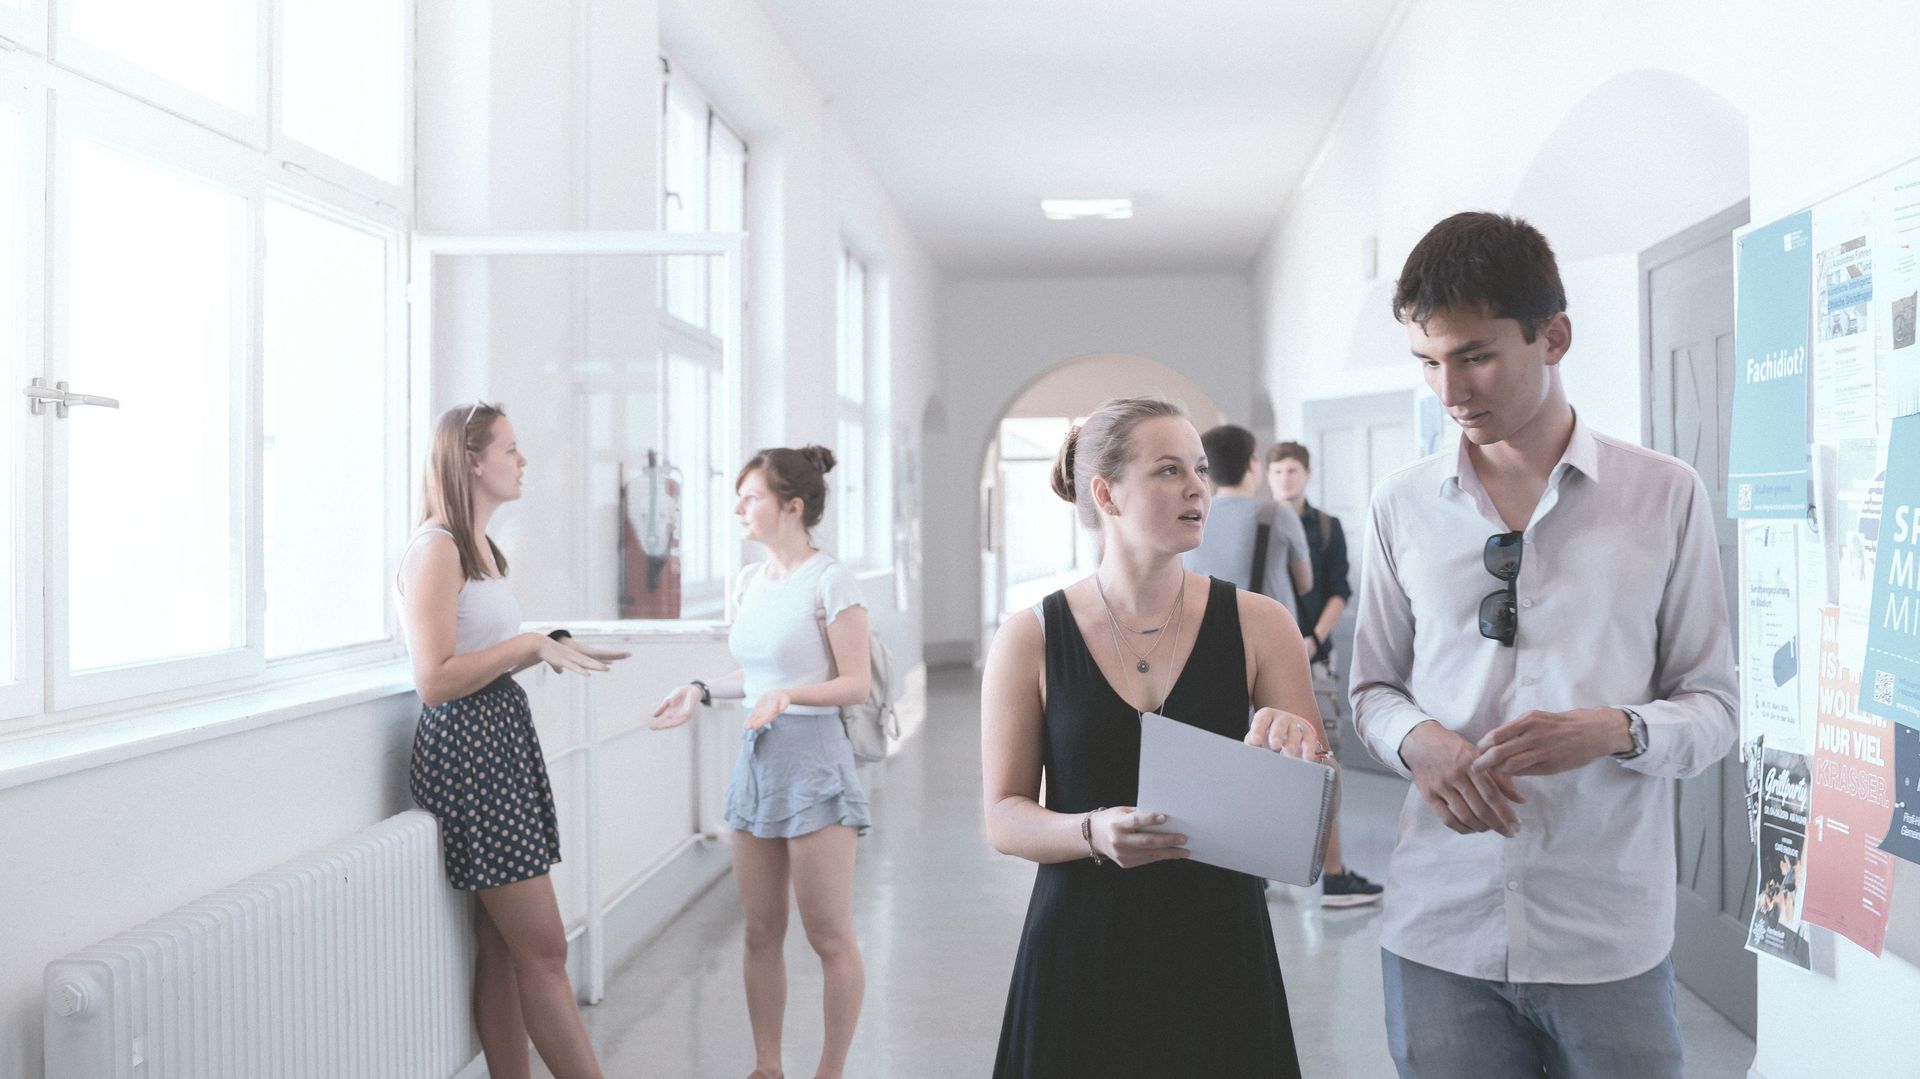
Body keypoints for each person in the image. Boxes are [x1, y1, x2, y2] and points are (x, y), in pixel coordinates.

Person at [1350, 212, 1737, 1079]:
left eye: (1476, 354)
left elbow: (1715, 709)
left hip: (1606, 932)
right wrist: (1421, 742)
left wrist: (1614, 729)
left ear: (1553, 335)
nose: (1449, 389)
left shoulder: (1664, 495)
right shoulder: (1400, 504)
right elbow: (1372, 688)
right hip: (1439, 924)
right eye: (1428, 362)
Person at [983, 396, 1324, 1078]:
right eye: (1169, 470)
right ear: (1106, 493)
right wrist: (1093, 832)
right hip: (1080, 944)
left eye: (1199, 468)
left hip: (1219, 945)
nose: (1198, 486)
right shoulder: (1031, 636)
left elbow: (1310, 823)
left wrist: (1295, 759)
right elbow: (1003, 815)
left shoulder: (1262, 625)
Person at [397, 402, 629, 1079]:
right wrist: (525, 644)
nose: (522, 460)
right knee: (546, 949)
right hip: (471, 750)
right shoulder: (436, 548)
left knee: (502, 951)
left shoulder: (477, 549)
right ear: (471, 459)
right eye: (511, 448)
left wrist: (543, 647)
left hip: (494, 739)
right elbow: (434, 680)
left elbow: (476, 651)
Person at [651, 445, 871, 1079]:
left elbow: (854, 683)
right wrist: (699, 688)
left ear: (791, 507)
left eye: (751, 498)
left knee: (827, 935)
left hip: (815, 761)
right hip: (758, 762)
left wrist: (789, 696)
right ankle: (767, 1067)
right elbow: (753, 671)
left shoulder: (832, 580)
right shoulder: (751, 582)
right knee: (758, 932)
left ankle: (829, 1071)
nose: (738, 509)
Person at [1266, 440, 1383, 908]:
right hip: (1265, 655)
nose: (1284, 479)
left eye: (1292, 470)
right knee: (1259, 760)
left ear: (1307, 474)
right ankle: (1261, 867)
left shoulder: (1327, 527)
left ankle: (1333, 872)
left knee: (1321, 756)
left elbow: (1339, 590)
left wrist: (1312, 639)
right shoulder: (1259, 523)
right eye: (1277, 471)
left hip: (1316, 654)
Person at [1182, 423, 1312, 629]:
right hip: (1272, 635)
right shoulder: (1277, 514)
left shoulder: (1191, 516)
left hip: (1208, 634)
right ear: (1252, 465)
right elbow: (1304, 583)